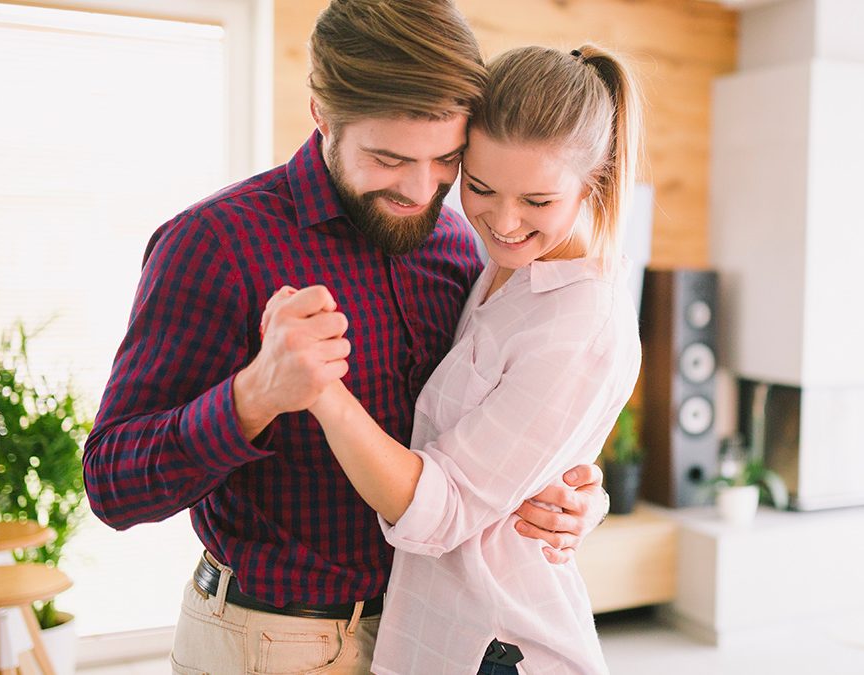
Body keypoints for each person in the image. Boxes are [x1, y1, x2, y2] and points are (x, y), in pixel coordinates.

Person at [81, 1, 608, 672]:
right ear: (321, 114)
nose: (421, 190)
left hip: (425, 636)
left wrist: (570, 494)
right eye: (388, 157)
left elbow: (471, 445)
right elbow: (111, 484)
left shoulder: (460, 247)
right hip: (268, 641)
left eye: (446, 159)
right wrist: (250, 398)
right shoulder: (216, 243)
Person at [264, 42, 643, 674]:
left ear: (594, 183)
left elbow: (439, 516)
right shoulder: (496, 268)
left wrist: (322, 388)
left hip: (498, 647)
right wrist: (577, 489)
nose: (504, 220)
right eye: (483, 187)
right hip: (441, 636)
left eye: (538, 202)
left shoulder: (582, 320)